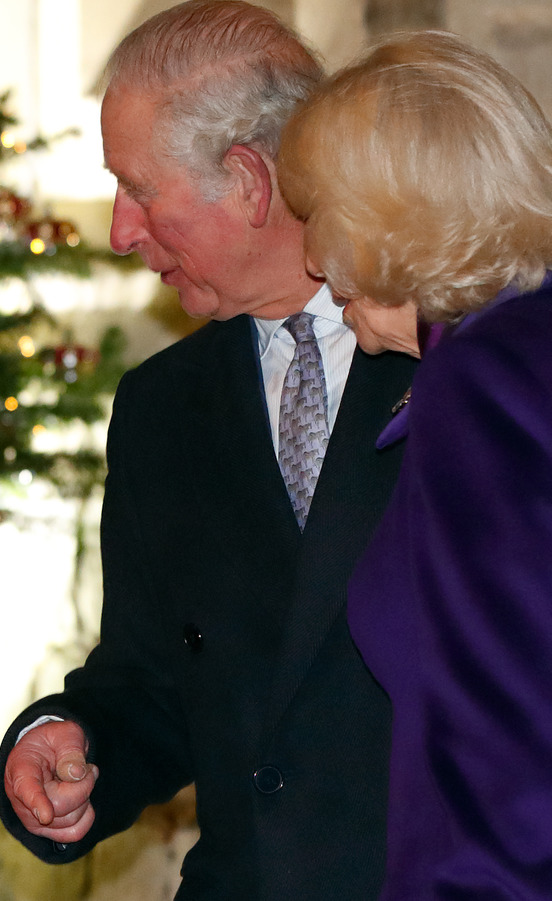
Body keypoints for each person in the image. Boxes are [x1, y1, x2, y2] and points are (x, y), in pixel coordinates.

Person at [0, 3, 418, 898]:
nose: (121, 230)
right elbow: (153, 680)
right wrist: (72, 744)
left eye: (141, 190)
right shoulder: (161, 408)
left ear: (249, 180)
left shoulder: (466, 354)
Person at [279, 30, 552, 900]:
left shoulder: (484, 380)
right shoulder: (518, 351)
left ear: (384, 215)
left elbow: (503, 742)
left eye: (317, 212)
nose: (315, 262)